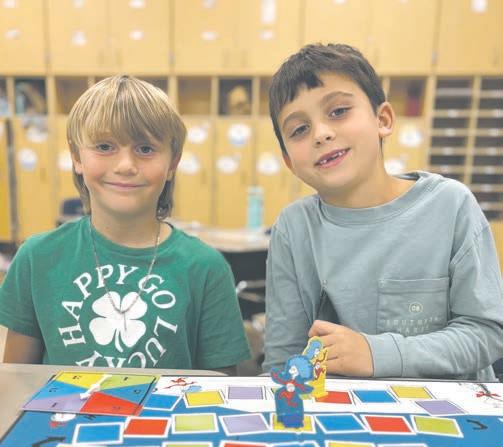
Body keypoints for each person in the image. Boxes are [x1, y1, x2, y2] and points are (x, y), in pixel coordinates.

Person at [263, 43, 503, 381]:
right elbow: (284, 360)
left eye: (338, 111)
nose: (321, 134)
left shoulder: (450, 205)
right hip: (344, 408)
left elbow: (487, 332)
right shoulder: (293, 228)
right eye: (299, 129)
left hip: (452, 405)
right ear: (289, 161)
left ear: (383, 120)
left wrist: (378, 354)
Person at [0, 75, 250, 374]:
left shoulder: (206, 268)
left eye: (145, 149)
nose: (125, 166)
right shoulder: (36, 257)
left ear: (172, 163)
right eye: (105, 146)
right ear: (77, 156)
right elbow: (17, 380)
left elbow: (220, 388)